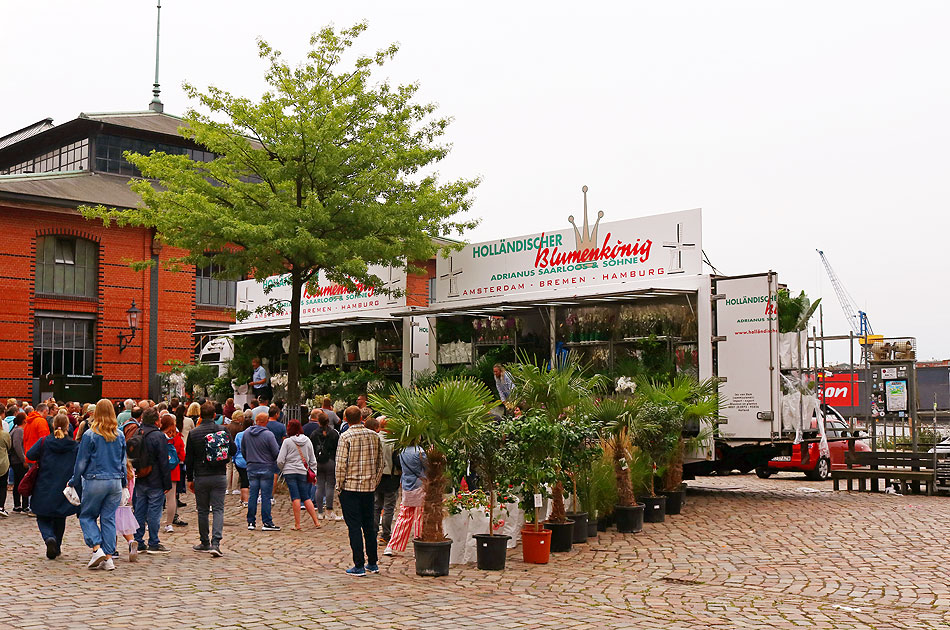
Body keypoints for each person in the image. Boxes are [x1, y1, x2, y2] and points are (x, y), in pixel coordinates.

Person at [69, 399, 128, 571]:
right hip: (115, 481)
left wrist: (73, 480)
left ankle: (97, 548)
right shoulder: (120, 434)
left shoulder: (90, 435)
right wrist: (123, 483)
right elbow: (123, 462)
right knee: (108, 519)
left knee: (87, 516)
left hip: (95, 479)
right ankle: (108, 557)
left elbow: (81, 462)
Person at [336, 405, 384, 576]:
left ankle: (359, 564)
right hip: (368, 488)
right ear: (361, 418)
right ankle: (372, 562)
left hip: (350, 487)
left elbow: (341, 464)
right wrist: (374, 481)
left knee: (354, 526)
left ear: (346, 419)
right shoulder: (374, 435)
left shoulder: (345, 436)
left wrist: (339, 485)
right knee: (369, 525)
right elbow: (381, 462)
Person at [185, 402, 234, 557]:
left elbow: (189, 459)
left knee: (203, 510)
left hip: (201, 475)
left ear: (200, 415)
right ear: (215, 415)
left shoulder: (194, 433)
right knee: (218, 509)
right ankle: (216, 542)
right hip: (219, 474)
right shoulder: (223, 430)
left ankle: (204, 541)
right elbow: (233, 449)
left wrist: (189, 478)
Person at [28, 414, 79, 560]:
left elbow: (30, 454)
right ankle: (57, 546)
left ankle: (49, 538)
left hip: (45, 483)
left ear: (52, 424)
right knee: (60, 517)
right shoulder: (74, 445)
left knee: (42, 516)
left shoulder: (44, 441)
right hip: (64, 485)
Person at [132, 407, 172, 555]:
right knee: (154, 512)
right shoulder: (158, 436)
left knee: (140, 510)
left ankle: (138, 540)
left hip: (141, 478)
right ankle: (154, 542)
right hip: (155, 480)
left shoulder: (138, 432)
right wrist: (166, 483)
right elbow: (163, 462)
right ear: (156, 420)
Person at [384, 441, 427, 557]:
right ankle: (418, 547)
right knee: (420, 518)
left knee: (403, 517)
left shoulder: (402, 451)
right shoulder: (420, 452)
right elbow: (426, 468)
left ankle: (391, 545)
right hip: (420, 485)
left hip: (407, 485)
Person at [276, 419, 321, 531]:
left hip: (290, 471)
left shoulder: (287, 442)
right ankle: (316, 521)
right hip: (302, 471)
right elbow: (312, 459)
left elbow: (280, 459)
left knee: (295, 497)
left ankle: (297, 524)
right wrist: (313, 472)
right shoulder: (307, 440)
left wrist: (283, 469)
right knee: (306, 496)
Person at [241, 412, 281, 532]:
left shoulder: (247, 433)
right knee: (265, 496)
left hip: (252, 466)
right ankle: (267, 521)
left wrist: (249, 460)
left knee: (253, 495)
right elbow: (276, 452)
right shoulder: (268, 435)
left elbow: (243, 449)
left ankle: (251, 521)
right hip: (266, 467)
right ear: (266, 421)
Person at [371, 417, 399, 545]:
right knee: (388, 507)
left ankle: (372, 531)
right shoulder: (394, 442)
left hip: (377, 476)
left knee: (376, 506)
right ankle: (385, 534)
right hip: (391, 476)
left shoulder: (374, 439)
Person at [310, 411, 340, 520]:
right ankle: (329, 510)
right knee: (330, 486)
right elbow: (337, 448)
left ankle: (320, 512)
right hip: (330, 461)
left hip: (318, 461)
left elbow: (312, 448)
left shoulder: (314, 434)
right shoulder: (333, 433)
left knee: (320, 486)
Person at [161, 414, 187, 533]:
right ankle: (169, 524)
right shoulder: (177, 437)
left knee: (155, 497)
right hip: (173, 469)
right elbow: (182, 456)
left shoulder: (158, 436)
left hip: (159, 469)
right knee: (171, 498)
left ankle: (149, 522)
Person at [10, 412, 28, 513]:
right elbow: (18, 446)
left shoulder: (16, 430)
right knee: (23, 482)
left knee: (17, 483)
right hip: (18, 461)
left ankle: (17, 505)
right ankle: (24, 505)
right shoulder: (19, 431)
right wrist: (24, 459)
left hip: (15, 460)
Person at [231, 414, 251, 507]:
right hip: (251, 460)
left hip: (240, 459)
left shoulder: (239, 435)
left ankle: (243, 499)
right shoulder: (253, 435)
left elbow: (236, 448)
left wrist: (234, 459)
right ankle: (245, 499)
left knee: (243, 479)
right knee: (246, 480)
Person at [226, 409, 245, 495]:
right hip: (236, 450)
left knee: (228, 468)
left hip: (227, 449)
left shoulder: (228, 426)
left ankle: (227, 488)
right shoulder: (240, 428)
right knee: (235, 469)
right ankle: (234, 488)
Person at [0, 415, 10, 517]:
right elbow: (9, 446)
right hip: (2, 461)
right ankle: (1, 507)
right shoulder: (4, 434)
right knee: (3, 485)